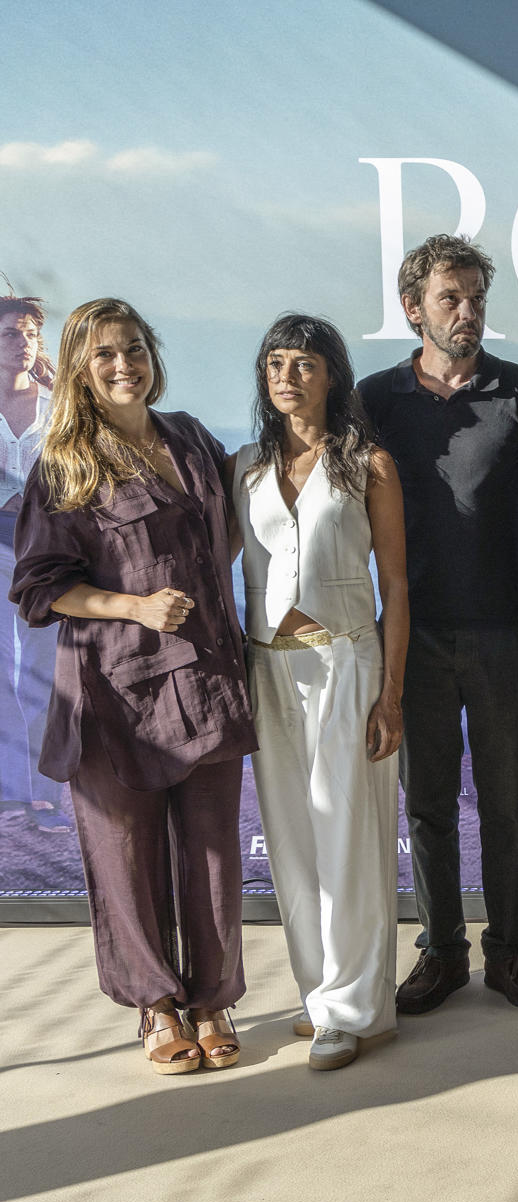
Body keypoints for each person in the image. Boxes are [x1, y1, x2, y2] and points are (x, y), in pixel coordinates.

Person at [8, 298, 255, 1073]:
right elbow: (42, 587)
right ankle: (155, 1006)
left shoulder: (190, 438)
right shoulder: (65, 462)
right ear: (80, 366)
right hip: (112, 689)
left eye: (136, 349)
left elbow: (230, 532)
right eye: (107, 353)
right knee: (124, 852)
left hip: (207, 681)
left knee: (213, 850)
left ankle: (211, 999)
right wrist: (136, 606)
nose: (125, 365)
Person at [358, 236, 518, 1016]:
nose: (468, 312)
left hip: (505, 628)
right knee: (428, 803)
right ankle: (441, 952)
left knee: (507, 800)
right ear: (414, 309)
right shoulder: (374, 399)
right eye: (451, 298)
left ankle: (510, 950)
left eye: (476, 297)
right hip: (411, 635)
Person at [234, 315, 408, 1069]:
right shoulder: (241, 465)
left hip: (345, 661)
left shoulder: (369, 464)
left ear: (331, 375)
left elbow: (397, 586)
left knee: (349, 837)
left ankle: (355, 1008)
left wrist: (391, 694)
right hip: (267, 666)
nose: (287, 376)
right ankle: (320, 996)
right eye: (276, 363)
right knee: (294, 844)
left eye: (303, 363)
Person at [0, 292, 64, 830]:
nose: (22, 344)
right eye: (10, 334)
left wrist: (61, 383)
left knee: (43, 674)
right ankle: (9, 793)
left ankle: (46, 794)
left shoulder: (58, 404)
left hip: (47, 553)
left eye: (30, 334)